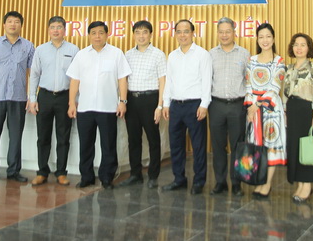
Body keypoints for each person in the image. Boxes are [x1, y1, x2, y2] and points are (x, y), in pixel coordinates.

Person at [67, 21, 130, 190]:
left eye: (101, 33)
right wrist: (71, 103)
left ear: (107, 35)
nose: (97, 36)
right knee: (85, 144)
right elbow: (74, 81)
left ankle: (107, 177)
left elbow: (122, 79)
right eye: (93, 33)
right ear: (89, 35)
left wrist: (122, 101)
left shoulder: (116, 54)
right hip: (85, 107)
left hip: (108, 107)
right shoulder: (81, 55)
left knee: (108, 145)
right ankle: (86, 177)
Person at [0, 11, 35, 184]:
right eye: (10, 21)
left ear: (21, 25)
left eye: (16, 22)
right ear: (4, 24)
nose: (13, 24)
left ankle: (14, 171)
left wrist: (31, 96)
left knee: (16, 137)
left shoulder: (28, 46)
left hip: (18, 98)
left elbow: (32, 73)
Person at [162, 19, 212, 194]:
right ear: (175, 34)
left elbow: (207, 81)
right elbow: (169, 81)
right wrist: (166, 103)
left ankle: (199, 181)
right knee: (176, 145)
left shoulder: (202, 54)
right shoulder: (172, 56)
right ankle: (179, 179)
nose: (182, 35)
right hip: (176, 105)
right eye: (179, 31)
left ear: (193, 33)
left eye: (186, 31)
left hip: (195, 105)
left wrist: (204, 105)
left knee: (198, 146)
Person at [29, 16, 78, 186]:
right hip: (45, 96)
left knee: (63, 137)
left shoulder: (73, 49)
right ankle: (42, 172)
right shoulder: (40, 50)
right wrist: (32, 98)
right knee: (43, 136)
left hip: (65, 97)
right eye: (53, 27)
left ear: (64, 30)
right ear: (48, 30)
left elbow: (76, 77)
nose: (56, 30)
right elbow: (34, 74)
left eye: (59, 27)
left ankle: (61, 172)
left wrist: (74, 101)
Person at [119, 20, 166, 189]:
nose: (141, 36)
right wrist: (123, 101)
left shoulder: (158, 54)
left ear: (151, 34)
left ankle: (153, 176)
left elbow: (163, 81)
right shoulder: (128, 54)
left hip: (150, 99)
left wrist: (159, 106)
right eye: (137, 32)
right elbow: (123, 80)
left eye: (144, 32)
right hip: (132, 100)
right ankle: (135, 174)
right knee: (133, 139)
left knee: (153, 139)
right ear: (133, 35)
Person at [209, 18, 251, 196]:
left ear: (234, 32)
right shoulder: (211, 54)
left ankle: (236, 183)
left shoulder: (244, 54)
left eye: (228, 31)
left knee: (238, 146)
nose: (224, 35)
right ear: (217, 33)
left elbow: (249, 81)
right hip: (216, 105)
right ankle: (220, 182)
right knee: (218, 146)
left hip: (237, 105)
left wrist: (249, 104)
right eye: (221, 32)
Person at [244, 23, 287, 198]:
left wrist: (257, 105)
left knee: (270, 146)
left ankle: (267, 184)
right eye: (261, 37)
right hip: (253, 110)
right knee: (256, 146)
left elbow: (275, 87)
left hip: (271, 110)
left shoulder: (279, 61)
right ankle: (259, 180)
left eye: (268, 36)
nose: (265, 40)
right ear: (257, 39)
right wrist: (250, 108)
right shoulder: (251, 60)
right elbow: (248, 85)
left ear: (273, 39)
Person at [284, 33, 313, 203]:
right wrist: (285, 112)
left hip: (307, 111)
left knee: (307, 148)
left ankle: (307, 185)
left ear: (309, 48)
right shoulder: (289, 68)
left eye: (303, 45)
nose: (299, 48)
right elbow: (285, 92)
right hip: (292, 110)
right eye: (296, 44)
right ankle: (300, 183)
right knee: (295, 148)